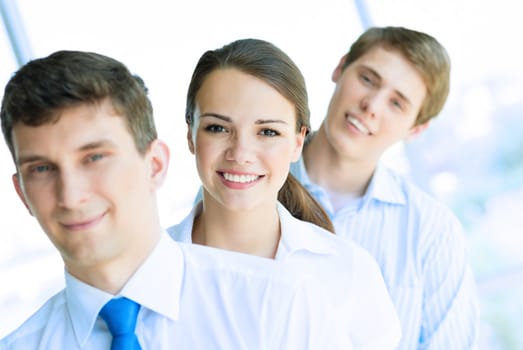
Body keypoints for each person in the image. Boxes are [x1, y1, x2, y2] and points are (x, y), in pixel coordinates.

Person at [1, 50, 364, 349]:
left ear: (155, 165)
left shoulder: (278, 305)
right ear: (22, 194)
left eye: (94, 158)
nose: (71, 195)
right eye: (42, 169)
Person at [167, 38, 401, 349]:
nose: (241, 153)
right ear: (190, 135)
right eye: (218, 128)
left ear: (297, 142)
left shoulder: (349, 272)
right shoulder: (147, 270)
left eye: (268, 132)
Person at [289, 26, 480, 349]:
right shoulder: (248, 182)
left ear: (417, 128)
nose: (372, 105)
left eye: (397, 103)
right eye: (368, 79)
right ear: (340, 67)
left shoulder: (432, 231)